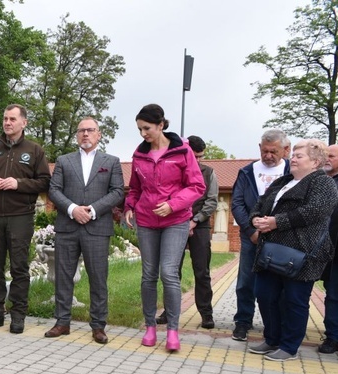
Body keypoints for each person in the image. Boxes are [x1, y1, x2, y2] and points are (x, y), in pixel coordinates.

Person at [123, 104, 205, 352]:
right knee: (148, 274)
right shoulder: (139, 155)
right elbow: (135, 187)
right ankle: (150, 327)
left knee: (168, 273)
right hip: (146, 220)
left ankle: (172, 330)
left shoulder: (182, 152)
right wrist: (129, 206)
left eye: (146, 128)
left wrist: (172, 205)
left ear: (161, 125)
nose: (143, 134)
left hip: (175, 220)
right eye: (139, 129)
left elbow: (196, 186)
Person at [247, 140, 338, 361]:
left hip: (302, 254)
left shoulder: (324, 184)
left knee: (294, 300)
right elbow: (260, 204)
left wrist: (277, 222)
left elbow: (314, 211)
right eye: (294, 155)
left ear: (315, 161)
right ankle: (272, 338)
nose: (293, 159)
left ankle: (289, 346)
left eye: (299, 156)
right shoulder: (283, 181)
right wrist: (256, 220)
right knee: (265, 295)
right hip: (271, 251)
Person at [0, 104, 51, 334]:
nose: (7, 123)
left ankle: (18, 315)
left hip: (20, 217)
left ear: (24, 122)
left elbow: (45, 181)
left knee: (19, 267)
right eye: (5, 119)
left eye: (12, 119)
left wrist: (19, 184)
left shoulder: (35, 151)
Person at [45, 117, 124, 343]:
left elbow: (118, 192)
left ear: (99, 134)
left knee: (98, 278)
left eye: (90, 130)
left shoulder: (111, 161)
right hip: (68, 227)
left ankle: (98, 326)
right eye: (81, 131)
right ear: (77, 135)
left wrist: (92, 209)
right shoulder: (63, 160)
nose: (85, 134)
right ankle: (62, 322)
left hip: (97, 227)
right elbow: (54, 190)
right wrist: (72, 209)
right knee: (63, 277)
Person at [230, 129, 290, 342]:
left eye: (273, 151)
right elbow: (236, 203)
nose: (268, 156)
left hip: (282, 237)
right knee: (246, 281)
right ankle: (243, 322)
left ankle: (276, 325)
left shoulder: (292, 171)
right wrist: (250, 230)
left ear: (285, 150)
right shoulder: (247, 172)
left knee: (279, 283)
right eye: (264, 151)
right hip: (251, 236)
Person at [156, 135, 218, 329]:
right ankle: (169, 312)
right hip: (175, 224)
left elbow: (212, 201)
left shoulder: (209, 173)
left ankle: (206, 314)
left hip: (199, 226)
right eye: (195, 156)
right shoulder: (174, 169)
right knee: (171, 271)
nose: (198, 161)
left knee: (202, 272)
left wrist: (194, 221)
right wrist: (181, 222)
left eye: (201, 157)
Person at [317, 144, 338, 354]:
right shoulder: (319, 182)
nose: (326, 159)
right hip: (321, 248)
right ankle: (332, 336)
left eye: (331, 156)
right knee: (332, 295)